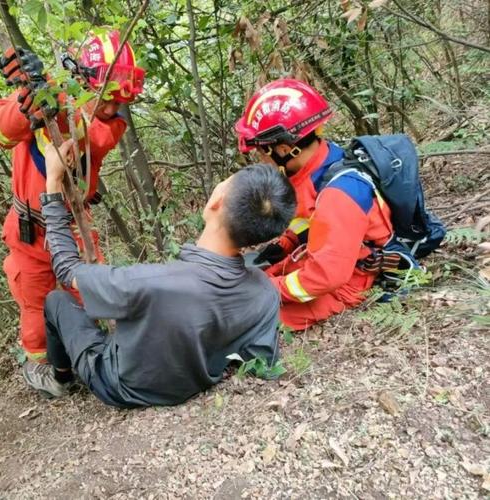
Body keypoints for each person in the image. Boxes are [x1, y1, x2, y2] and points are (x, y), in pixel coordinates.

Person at [29, 141, 296, 407]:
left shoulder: (151, 282)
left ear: (218, 200)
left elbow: (66, 268)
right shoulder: (264, 291)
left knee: (57, 301)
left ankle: (59, 380)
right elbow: (261, 358)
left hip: (120, 387)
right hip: (193, 383)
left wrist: (53, 182)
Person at [0, 31, 145, 380]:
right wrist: (27, 105)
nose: (114, 108)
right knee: (36, 307)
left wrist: (50, 101)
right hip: (30, 233)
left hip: (72, 225)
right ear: (81, 80)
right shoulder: (45, 94)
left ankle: (89, 356)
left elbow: (90, 136)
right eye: (108, 98)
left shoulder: (103, 122)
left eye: (119, 101)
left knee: (89, 294)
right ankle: (45, 371)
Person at [234, 78, 394, 330]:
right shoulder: (314, 167)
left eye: (261, 152)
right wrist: (284, 245)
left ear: (284, 149)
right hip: (319, 254)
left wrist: (264, 290)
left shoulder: (339, 194)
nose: (260, 159)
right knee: (248, 282)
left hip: (347, 279)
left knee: (243, 321)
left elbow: (323, 277)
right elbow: (308, 220)